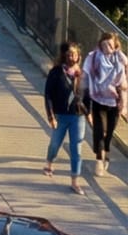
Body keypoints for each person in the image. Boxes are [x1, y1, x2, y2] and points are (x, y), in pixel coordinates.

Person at [44, 41, 86, 194]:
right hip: (61, 115)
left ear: (78, 56)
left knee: (77, 148)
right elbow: (48, 94)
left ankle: (75, 180)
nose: (71, 57)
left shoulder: (82, 74)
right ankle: (49, 162)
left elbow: (87, 95)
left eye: (74, 54)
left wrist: (89, 113)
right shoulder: (56, 72)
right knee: (55, 143)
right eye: (68, 55)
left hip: (77, 116)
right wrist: (51, 116)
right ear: (64, 56)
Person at [83, 31, 123, 177]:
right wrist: (86, 104)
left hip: (114, 102)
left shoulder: (120, 60)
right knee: (99, 130)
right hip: (98, 99)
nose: (107, 47)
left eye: (110, 45)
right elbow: (86, 79)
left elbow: (124, 84)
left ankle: (105, 152)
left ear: (115, 46)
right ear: (100, 44)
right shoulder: (93, 58)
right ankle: (99, 160)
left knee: (109, 132)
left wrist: (123, 103)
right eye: (104, 44)